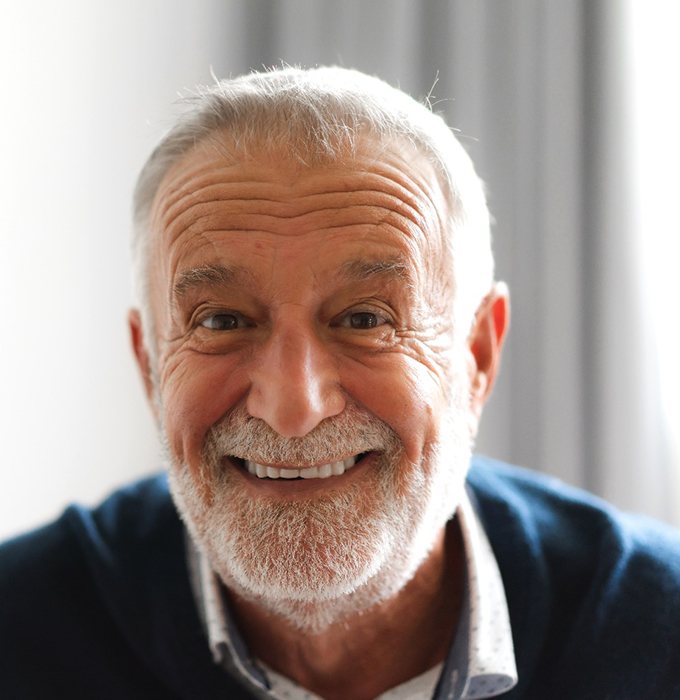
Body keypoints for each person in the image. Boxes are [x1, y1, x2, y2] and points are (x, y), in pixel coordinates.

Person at [1, 66, 680, 700]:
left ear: (476, 355)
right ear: (150, 364)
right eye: (222, 319)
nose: (293, 409)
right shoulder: (23, 630)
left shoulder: (655, 628)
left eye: (364, 318)